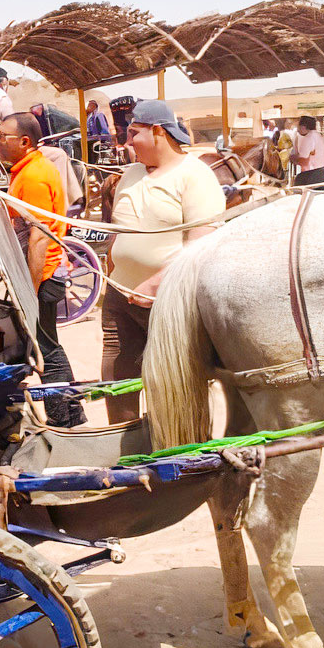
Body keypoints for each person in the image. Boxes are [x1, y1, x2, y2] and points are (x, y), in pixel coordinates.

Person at [103, 100, 222, 423]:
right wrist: (113, 271)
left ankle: (180, 459)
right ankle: (125, 453)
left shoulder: (195, 175)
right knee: (117, 380)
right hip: (120, 297)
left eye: (133, 133)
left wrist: (155, 283)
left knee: (172, 385)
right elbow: (119, 231)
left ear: (158, 132)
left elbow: (202, 245)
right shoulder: (129, 175)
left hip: (168, 301)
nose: (127, 143)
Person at [0, 111, 84, 427]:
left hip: (43, 275)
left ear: (25, 142)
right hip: (45, 274)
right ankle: (73, 414)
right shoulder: (29, 169)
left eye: (4, 136)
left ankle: (61, 420)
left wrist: (29, 291)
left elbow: (38, 239)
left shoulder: (32, 176)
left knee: (47, 351)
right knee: (50, 345)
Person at [288, 115, 324, 189]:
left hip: (312, 176)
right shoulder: (319, 136)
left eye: (299, 127)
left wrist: (292, 158)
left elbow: (304, 162)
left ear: (303, 127)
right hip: (323, 174)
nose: (298, 130)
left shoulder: (308, 138)